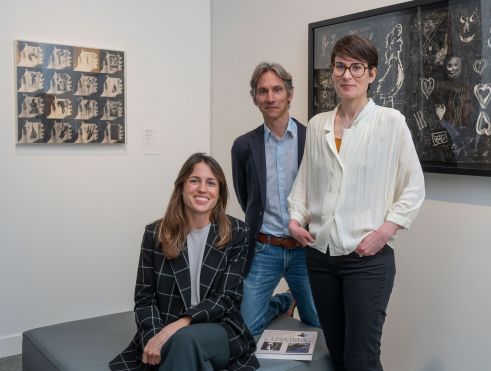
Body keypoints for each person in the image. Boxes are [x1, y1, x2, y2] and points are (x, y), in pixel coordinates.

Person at [288, 35, 425, 371]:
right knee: (337, 353)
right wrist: (295, 219)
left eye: (356, 67)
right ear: (332, 72)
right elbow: (305, 183)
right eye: (340, 67)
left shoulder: (390, 123)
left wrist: (383, 233)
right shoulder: (319, 124)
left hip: (367, 260)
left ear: (372, 74)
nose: (346, 75)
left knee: (361, 359)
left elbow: (414, 188)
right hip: (320, 258)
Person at [109, 153, 259, 371]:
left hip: (219, 328)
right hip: (167, 332)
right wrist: (155, 336)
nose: (202, 189)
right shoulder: (155, 234)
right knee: (188, 351)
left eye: (211, 183)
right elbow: (144, 299)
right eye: (194, 180)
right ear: (181, 187)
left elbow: (227, 299)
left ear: (219, 192)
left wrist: (178, 326)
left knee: (185, 339)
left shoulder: (237, 232)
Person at [231, 62, 320, 336]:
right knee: (245, 330)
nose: (270, 98)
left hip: (304, 250)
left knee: (320, 324)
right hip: (264, 249)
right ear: (254, 98)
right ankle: (283, 301)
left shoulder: (312, 138)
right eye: (263, 91)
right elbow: (246, 197)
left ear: (290, 94)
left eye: (277, 90)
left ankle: (292, 297)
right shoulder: (244, 145)